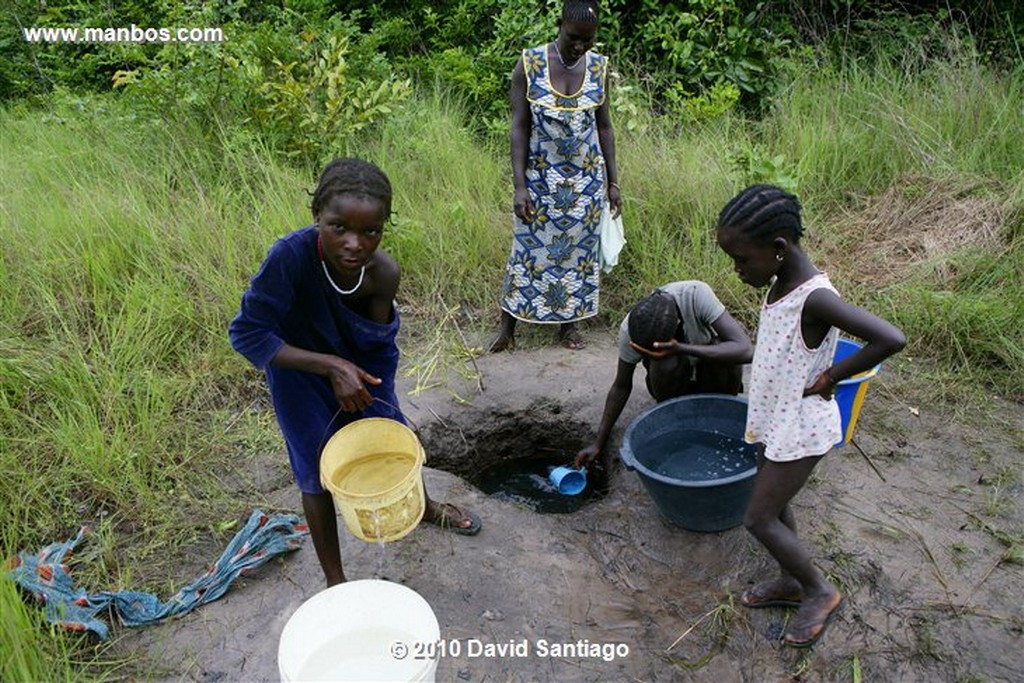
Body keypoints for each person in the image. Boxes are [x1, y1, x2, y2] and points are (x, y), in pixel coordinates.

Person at [229, 158, 481, 587]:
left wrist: (375, 401)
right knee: (315, 468)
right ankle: (336, 581)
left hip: (362, 372)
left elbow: (376, 346)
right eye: (338, 227)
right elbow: (247, 334)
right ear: (317, 219)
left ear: (383, 228)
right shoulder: (289, 258)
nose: (354, 244)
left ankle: (421, 506)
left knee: (394, 436)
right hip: (298, 373)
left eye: (370, 231)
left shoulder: (383, 273)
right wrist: (330, 366)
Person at [716, 184, 906, 648]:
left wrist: (833, 377)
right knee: (776, 507)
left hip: (801, 427)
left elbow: (890, 338)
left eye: (741, 260)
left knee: (758, 519)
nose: (737, 270)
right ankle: (790, 580)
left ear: (778, 249)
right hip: (777, 419)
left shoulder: (815, 298)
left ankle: (819, 591)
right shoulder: (782, 282)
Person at [490, 0, 622, 353]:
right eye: (574, 38)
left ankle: (568, 328)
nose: (580, 47)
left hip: (586, 184)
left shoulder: (598, 67)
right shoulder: (530, 64)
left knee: (578, 258)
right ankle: (508, 329)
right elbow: (519, 127)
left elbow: (605, 128)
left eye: (588, 41)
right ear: (560, 24)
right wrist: (520, 186)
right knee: (526, 253)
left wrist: (612, 182)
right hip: (540, 181)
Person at [574, 282, 754, 484]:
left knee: (722, 348)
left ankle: (720, 411)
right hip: (674, 386)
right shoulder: (630, 329)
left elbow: (745, 350)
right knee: (665, 363)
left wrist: (683, 348)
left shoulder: (696, 295)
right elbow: (621, 386)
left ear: (677, 325)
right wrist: (598, 443)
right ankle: (675, 419)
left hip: (712, 379)